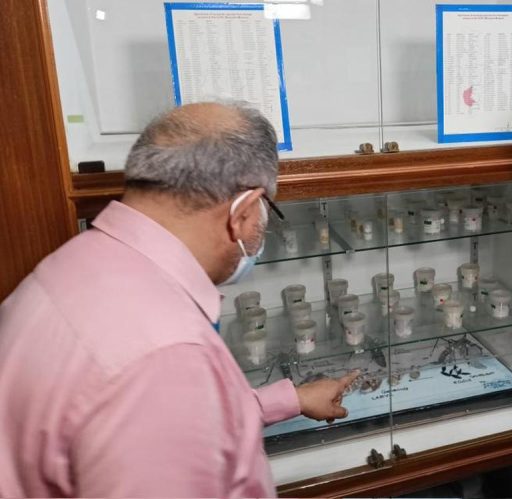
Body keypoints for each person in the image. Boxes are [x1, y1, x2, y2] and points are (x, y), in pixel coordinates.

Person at [0, 102, 357, 497]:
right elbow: (158, 394)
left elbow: (163, 425)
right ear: (241, 210)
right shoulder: (164, 356)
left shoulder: (72, 265)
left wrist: (289, 399)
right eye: (265, 208)